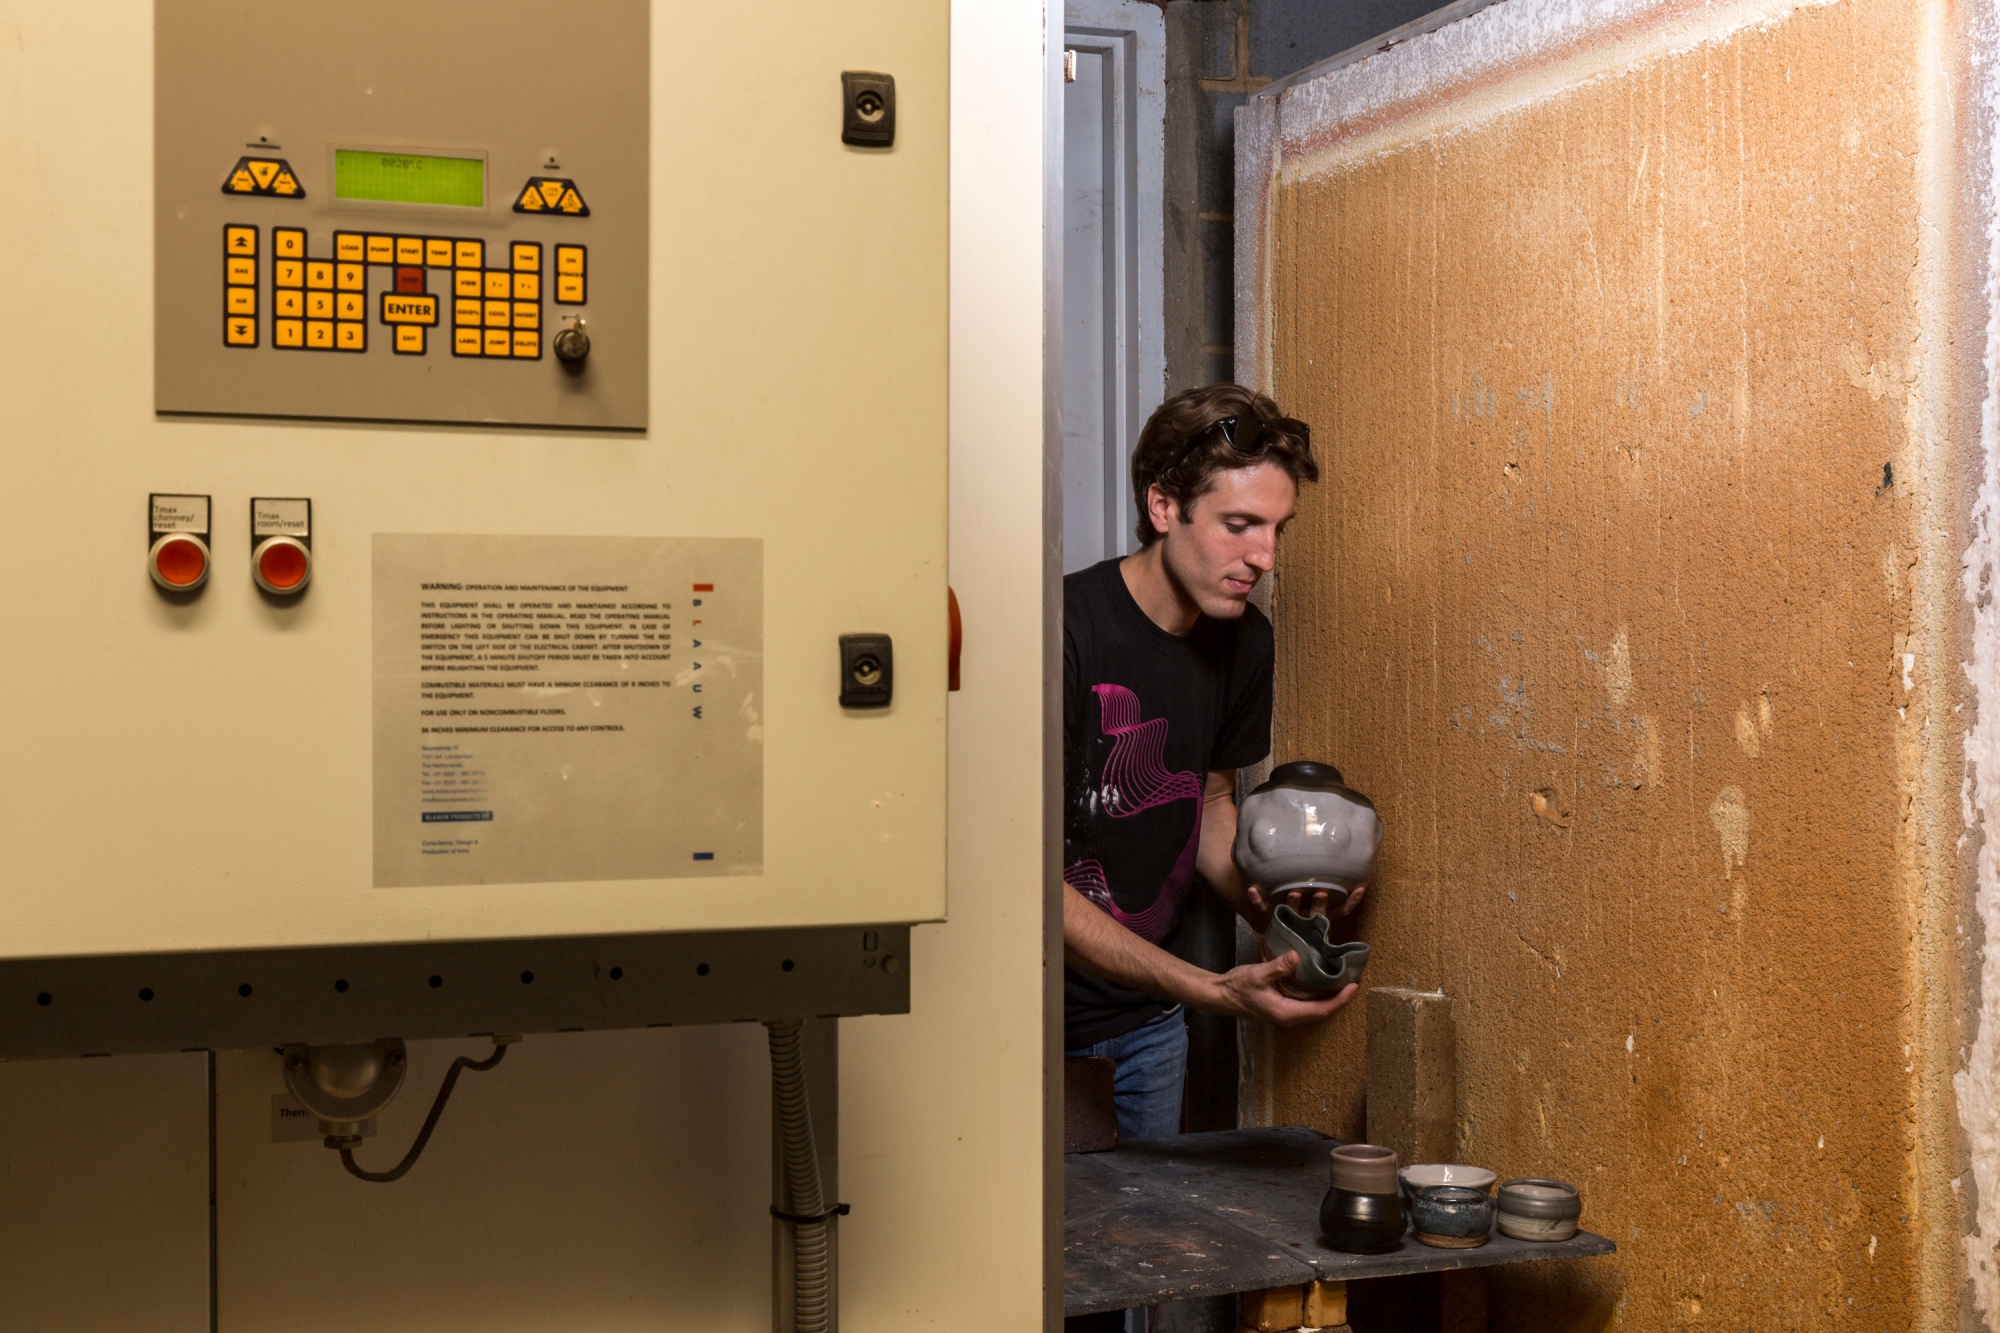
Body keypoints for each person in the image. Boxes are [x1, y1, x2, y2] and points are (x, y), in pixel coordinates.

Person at [1062, 382, 1363, 1140]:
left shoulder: (1243, 642)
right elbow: (1022, 879)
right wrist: (1215, 990)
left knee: (1152, 1252)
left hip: (1151, 1029)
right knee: (1052, 1256)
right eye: (1240, 525)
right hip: (1026, 1024)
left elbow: (1207, 805)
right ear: (1164, 507)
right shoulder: (1060, 631)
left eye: (1277, 529)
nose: (1263, 556)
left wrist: (1274, 905)